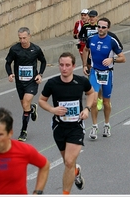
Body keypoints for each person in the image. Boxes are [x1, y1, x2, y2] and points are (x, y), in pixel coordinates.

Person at [39, 52, 94, 194]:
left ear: (73, 66)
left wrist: (87, 109)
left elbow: (91, 93)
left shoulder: (81, 81)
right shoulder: (52, 83)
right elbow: (41, 101)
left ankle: (65, 194)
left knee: (69, 161)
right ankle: (76, 171)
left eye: (67, 65)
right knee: (67, 162)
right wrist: (53, 109)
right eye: (61, 65)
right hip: (59, 126)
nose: (64, 68)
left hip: (76, 126)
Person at [82, 17, 126, 140]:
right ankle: (94, 126)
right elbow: (85, 50)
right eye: (99, 27)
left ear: (108, 28)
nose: (100, 29)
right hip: (94, 73)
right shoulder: (91, 39)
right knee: (94, 101)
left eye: (103, 27)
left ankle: (107, 124)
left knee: (106, 102)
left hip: (107, 74)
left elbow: (123, 58)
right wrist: (85, 65)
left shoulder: (112, 41)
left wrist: (112, 59)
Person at [5, 27, 46, 141]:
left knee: (26, 102)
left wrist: (40, 75)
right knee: (25, 106)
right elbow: (8, 63)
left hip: (32, 81)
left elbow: (43, 61)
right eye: (20, 38)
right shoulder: (14, 49)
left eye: (24, 38)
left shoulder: (36, 49)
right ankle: (32, 109)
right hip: (20, 82)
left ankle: (23, 131)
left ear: (29, 36)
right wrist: (10, 74)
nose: (22, 40)